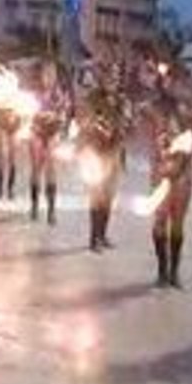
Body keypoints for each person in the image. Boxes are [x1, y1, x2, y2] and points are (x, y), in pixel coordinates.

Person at [140, 64, 192, 288]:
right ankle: (162, 271)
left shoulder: (189, 110)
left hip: (183, 171)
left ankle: (174, 271)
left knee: (178, 223)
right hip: (160, 170)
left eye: (179, 82)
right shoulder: (151, 108)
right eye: (171, 81)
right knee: (160, 220)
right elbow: (143, 132)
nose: (176, 86)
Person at [79, 65, 125, 253]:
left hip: (113, 152)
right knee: (96, 196)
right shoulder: (92, 99)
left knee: (109, 197)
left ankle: (103, 234)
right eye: (108, 77)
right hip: (95, 152)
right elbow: (85, 121)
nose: (112, 81)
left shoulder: (120, 101)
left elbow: (125, 124)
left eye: (115, 78)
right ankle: (93, 238)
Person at [29, 60, 68, 224]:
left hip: (52, 133)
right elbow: (28, 111)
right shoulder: (34, 93)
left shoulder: (59, 94)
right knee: (37, 167)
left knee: (51, 169)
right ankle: (35, 205)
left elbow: (64, 113)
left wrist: (58, 118)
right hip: (36, 131)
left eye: (52, 74)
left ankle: (51, 210)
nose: (49, 78)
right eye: (46, 74)